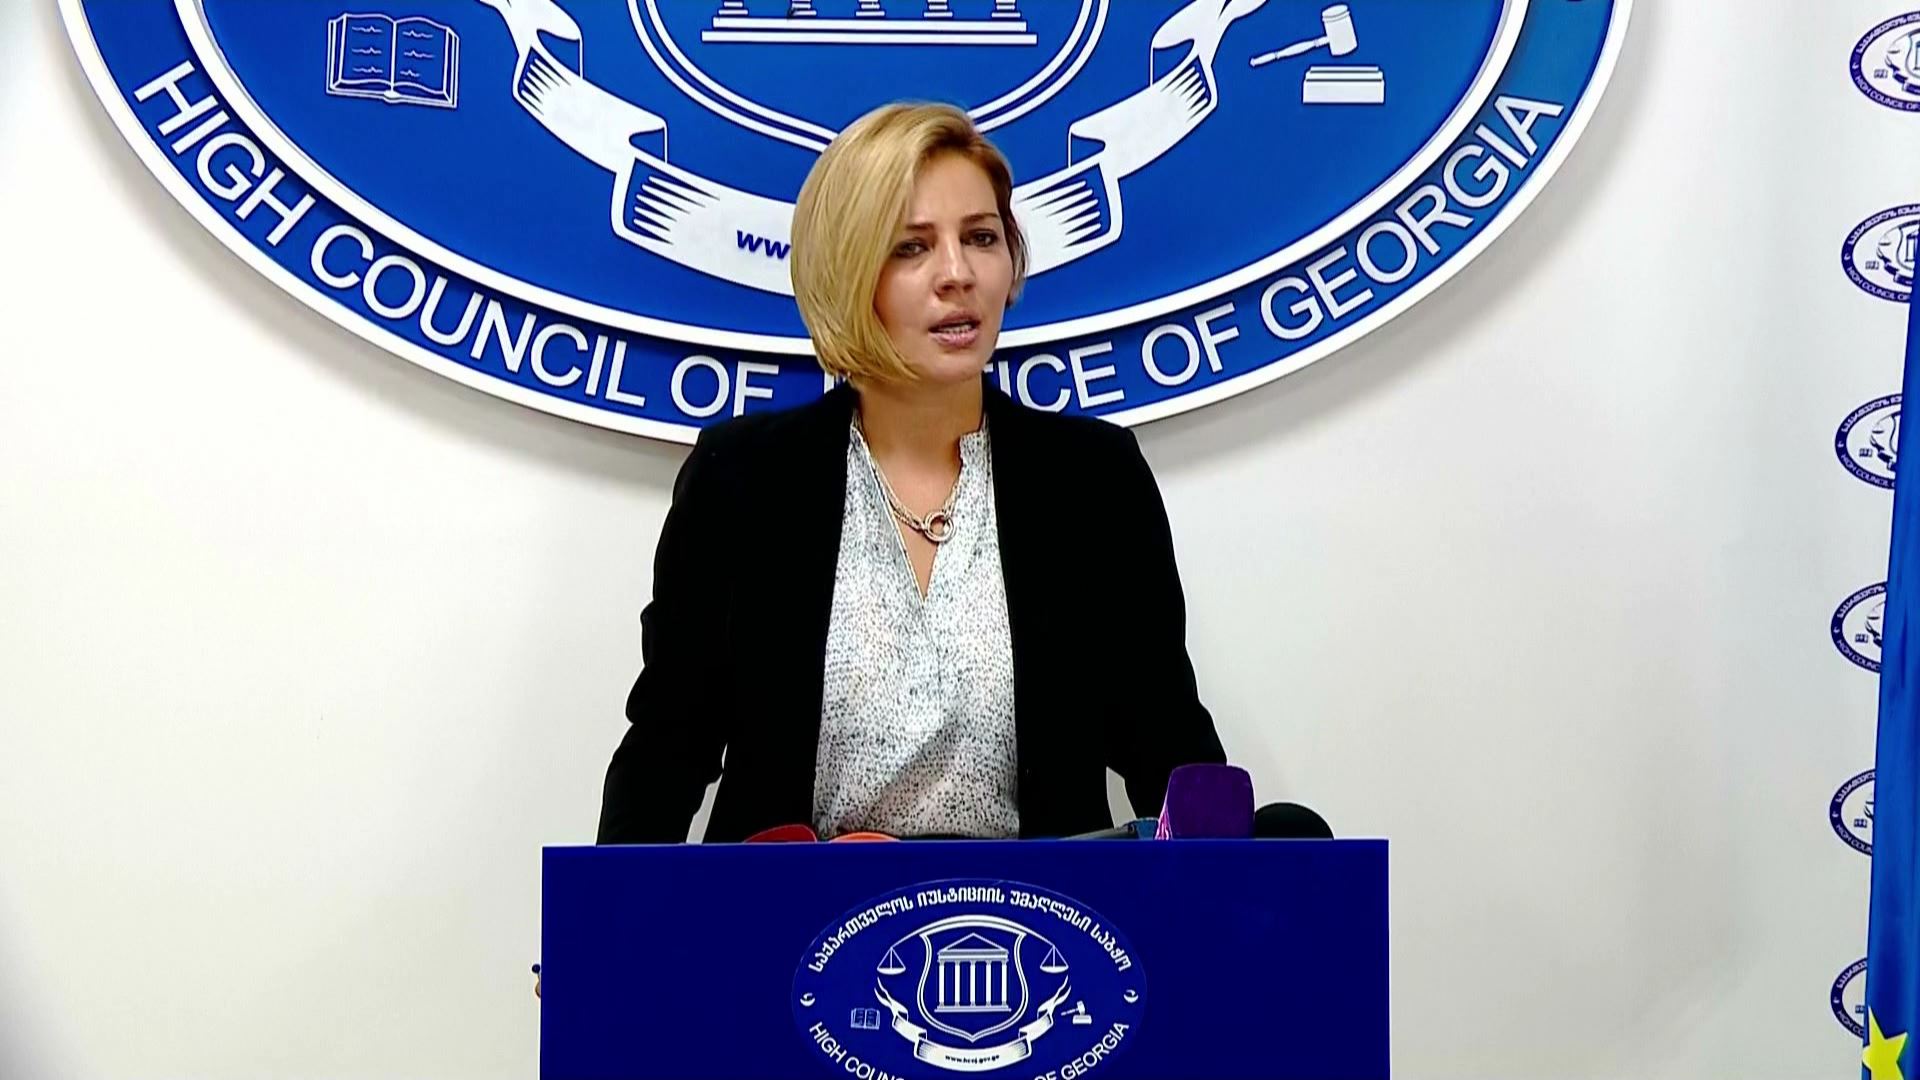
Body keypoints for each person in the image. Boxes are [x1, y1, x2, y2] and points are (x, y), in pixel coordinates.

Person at [596, 103, 1225, 844]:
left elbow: (1170, 752)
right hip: (794, 913)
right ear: (848, 270)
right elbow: (667, 752)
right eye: (911, 247)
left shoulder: (1093, 482)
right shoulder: (742, 480)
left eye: (981, 238)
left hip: (1035, 916)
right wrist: (604, 915)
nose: (957, 274)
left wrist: (1235, 891)